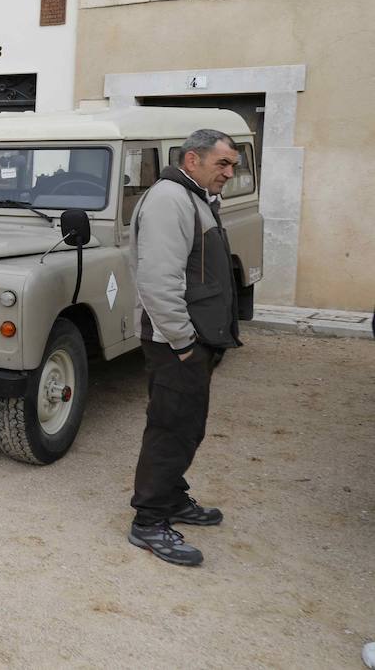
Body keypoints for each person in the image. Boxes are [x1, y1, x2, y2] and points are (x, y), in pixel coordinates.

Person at [127, 128, 242, 566]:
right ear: (192, 160)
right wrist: (183, 342)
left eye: (232, 165)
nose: (229, 173)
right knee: (171, 427)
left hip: (191, 340)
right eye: (223, 164)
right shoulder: (169, 200)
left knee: (187, 425)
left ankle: (172, 498)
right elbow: (158, 281)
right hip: (176, 343)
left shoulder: (194, 198)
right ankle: (149, 521)